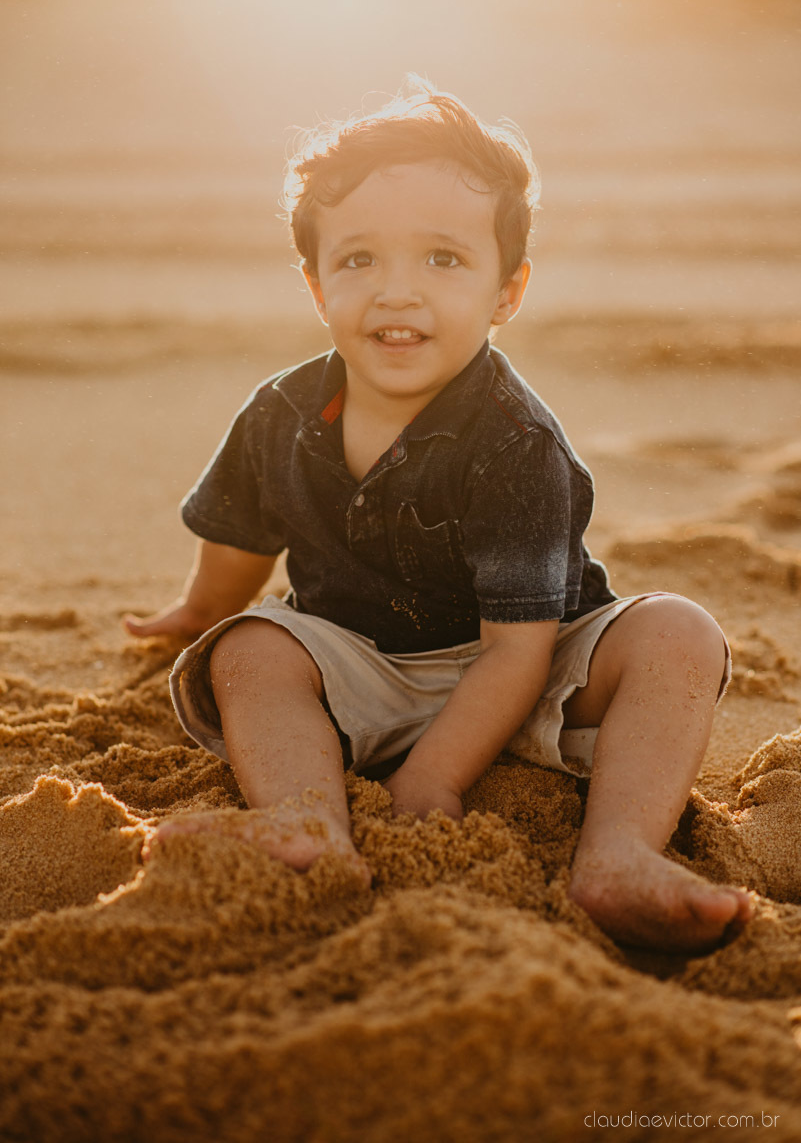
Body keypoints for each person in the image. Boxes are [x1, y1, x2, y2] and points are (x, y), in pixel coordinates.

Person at [125, 79, 752, 952]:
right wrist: (199, 612)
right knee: (248, 647)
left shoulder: (513, 442)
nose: (396, 293)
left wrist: (434, 778)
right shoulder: (280, 411)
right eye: (358, 261)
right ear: (314, 285)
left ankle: (618, 851)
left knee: (678, 635)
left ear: (507, 291)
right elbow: (239, 537)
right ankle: (305, 819)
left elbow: (517, 651)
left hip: (526, 663)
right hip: (358, 665)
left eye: (443, 260)